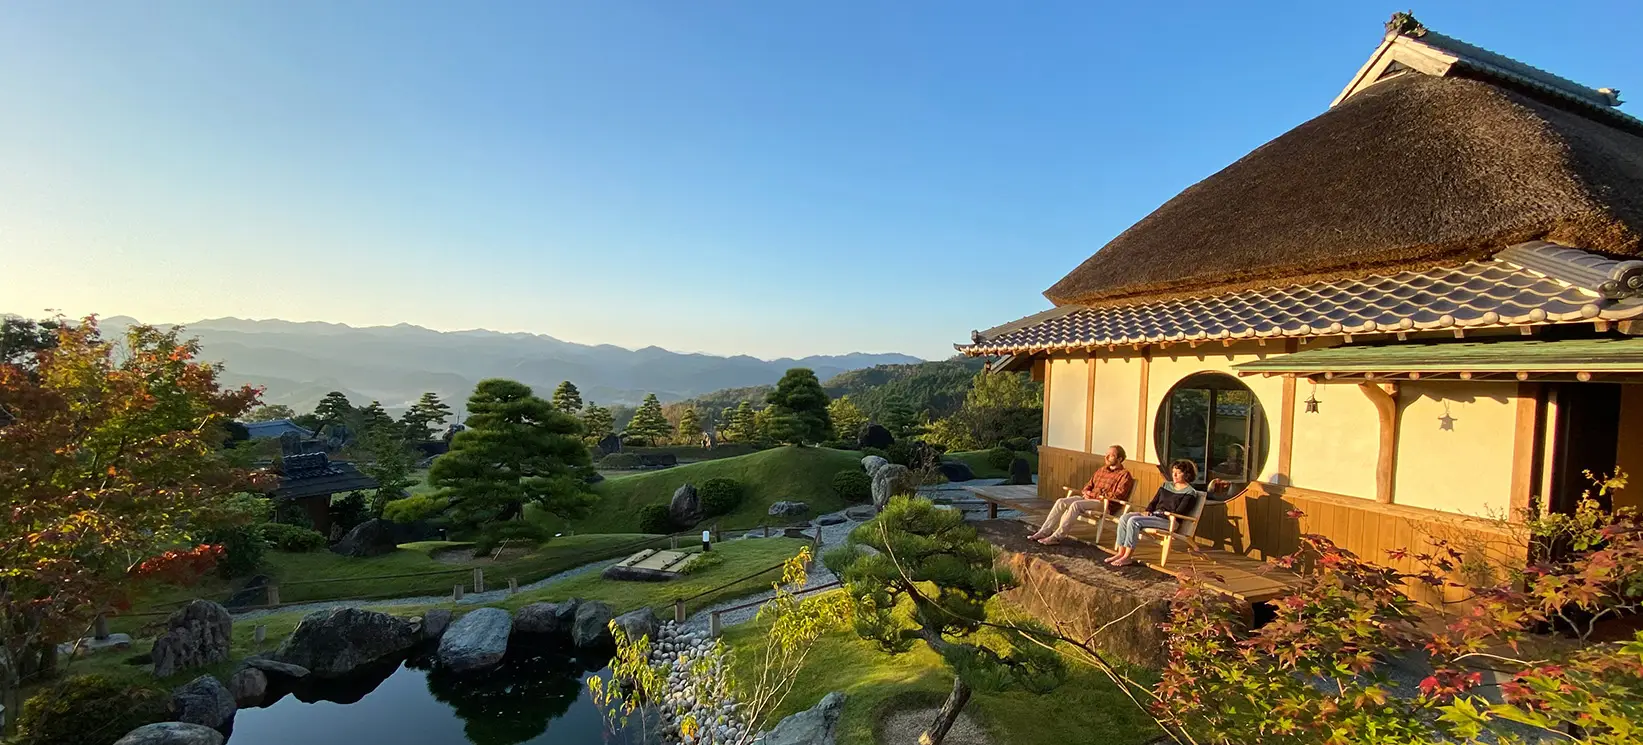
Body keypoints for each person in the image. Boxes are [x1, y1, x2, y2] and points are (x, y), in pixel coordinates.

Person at [1107, 459, 1227, 567]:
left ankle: (1127, 557)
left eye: (1178, 472)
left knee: (1133, 521)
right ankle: (1120, 553)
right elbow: (1154, 501)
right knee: (1124, 517)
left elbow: (1180, 511)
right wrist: (1148, 511)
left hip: (1169, 521)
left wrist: (1160, 514)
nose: (1174, 475)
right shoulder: (1166, 485)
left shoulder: (1190, 492)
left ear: (1186, 474)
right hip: (1155, 516)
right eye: (1173, 471)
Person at [1029, 445, 1134, 545]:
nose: (1106, 457)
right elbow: (1088, 486)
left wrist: (1093, 494)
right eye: (1106, 454)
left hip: (1104, 504)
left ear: (1120, 459)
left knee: (1076, 505)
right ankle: (1044, 531)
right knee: (1061, 501)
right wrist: (1087, 492)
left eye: (1111, 455)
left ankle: (1057, 537)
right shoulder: (1102, 470)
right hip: (1088, 499)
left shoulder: (1124, 475)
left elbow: (1118, 495)